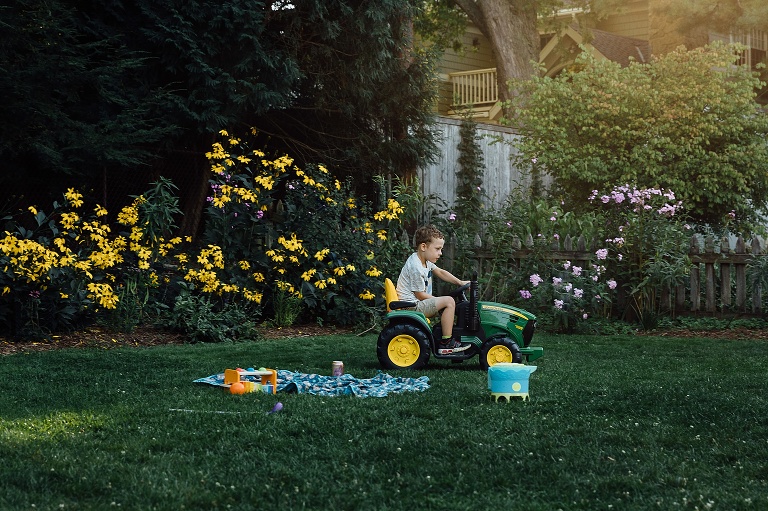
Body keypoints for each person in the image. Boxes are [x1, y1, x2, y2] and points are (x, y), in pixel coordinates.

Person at [396, 225, 470, 354]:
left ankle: (448, 333)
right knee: (449, 302)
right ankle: (447, 342)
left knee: (449, 302)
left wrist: (460, 282)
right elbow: (420, 295)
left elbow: (440, 272)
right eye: (437, 249)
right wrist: (440, 300)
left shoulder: (423, 261)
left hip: (416, 303)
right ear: (423, 247)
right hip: (411, 306)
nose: (440, 253)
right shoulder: (416, 267)